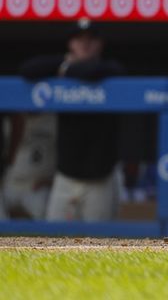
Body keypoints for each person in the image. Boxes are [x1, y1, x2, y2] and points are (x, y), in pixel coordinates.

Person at [19, 19, 124, 222]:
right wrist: (66, 65)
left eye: (90, 40)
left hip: (100, 177)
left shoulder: (109, 69)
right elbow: (27, 69)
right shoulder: (62, 64)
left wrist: (66, 69)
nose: (84, 44)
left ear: (100, 44)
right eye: (78, 39)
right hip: (66, 175)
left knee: (100, 245)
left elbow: (94, 71)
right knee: (54, 240)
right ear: (70, 44)